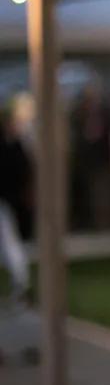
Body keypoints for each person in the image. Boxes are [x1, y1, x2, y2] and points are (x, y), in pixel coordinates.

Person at [0, 106, 32, 305]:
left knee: (10, 242)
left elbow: (24, 169)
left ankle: (21, 283)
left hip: (6, 200)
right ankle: (20, 283)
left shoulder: (13, 145)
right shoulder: (11, 145)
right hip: (7, 199)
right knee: (10, 243)